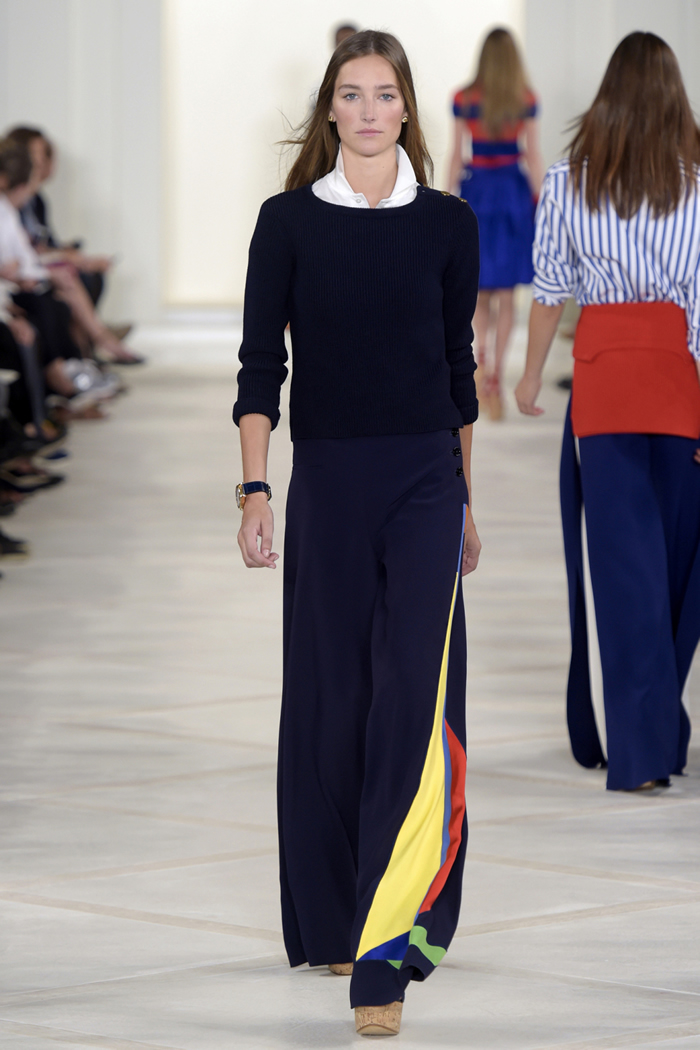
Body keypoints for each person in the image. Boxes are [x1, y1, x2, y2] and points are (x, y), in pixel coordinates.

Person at [233, 29, 481, 1037]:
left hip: (426, 481)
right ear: (329, 109)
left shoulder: (449, 224)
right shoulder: (287, 222)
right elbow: (261, 365)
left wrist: (466, 501)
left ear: (407, 107)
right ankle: (337, 915)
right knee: (333, 697)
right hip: (329, 482)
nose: (370, 111)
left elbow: (459, 373)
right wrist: (255, 489)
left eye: (385, 94)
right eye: (352, 94)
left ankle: (385, 953)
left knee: (414, 699)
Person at [514, 32, 700, 793]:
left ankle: (646, 739)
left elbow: (549, 290)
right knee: (676, 570)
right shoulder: (696, 186)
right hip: (680, 382)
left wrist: (531, 376)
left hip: (603, 386)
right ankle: (649, 739)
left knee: (626, 574)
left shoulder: (568, 181)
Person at [448, 27, 543, 420]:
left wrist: (446, 201)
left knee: (479, 291)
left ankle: (481, 362)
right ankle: (495, 377)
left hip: (478, 192)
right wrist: (545, 204)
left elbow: (456, 155)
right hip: (513, 194)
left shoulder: (464, 98)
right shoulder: (524, 99)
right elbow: (532, 156)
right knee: (506, 294)